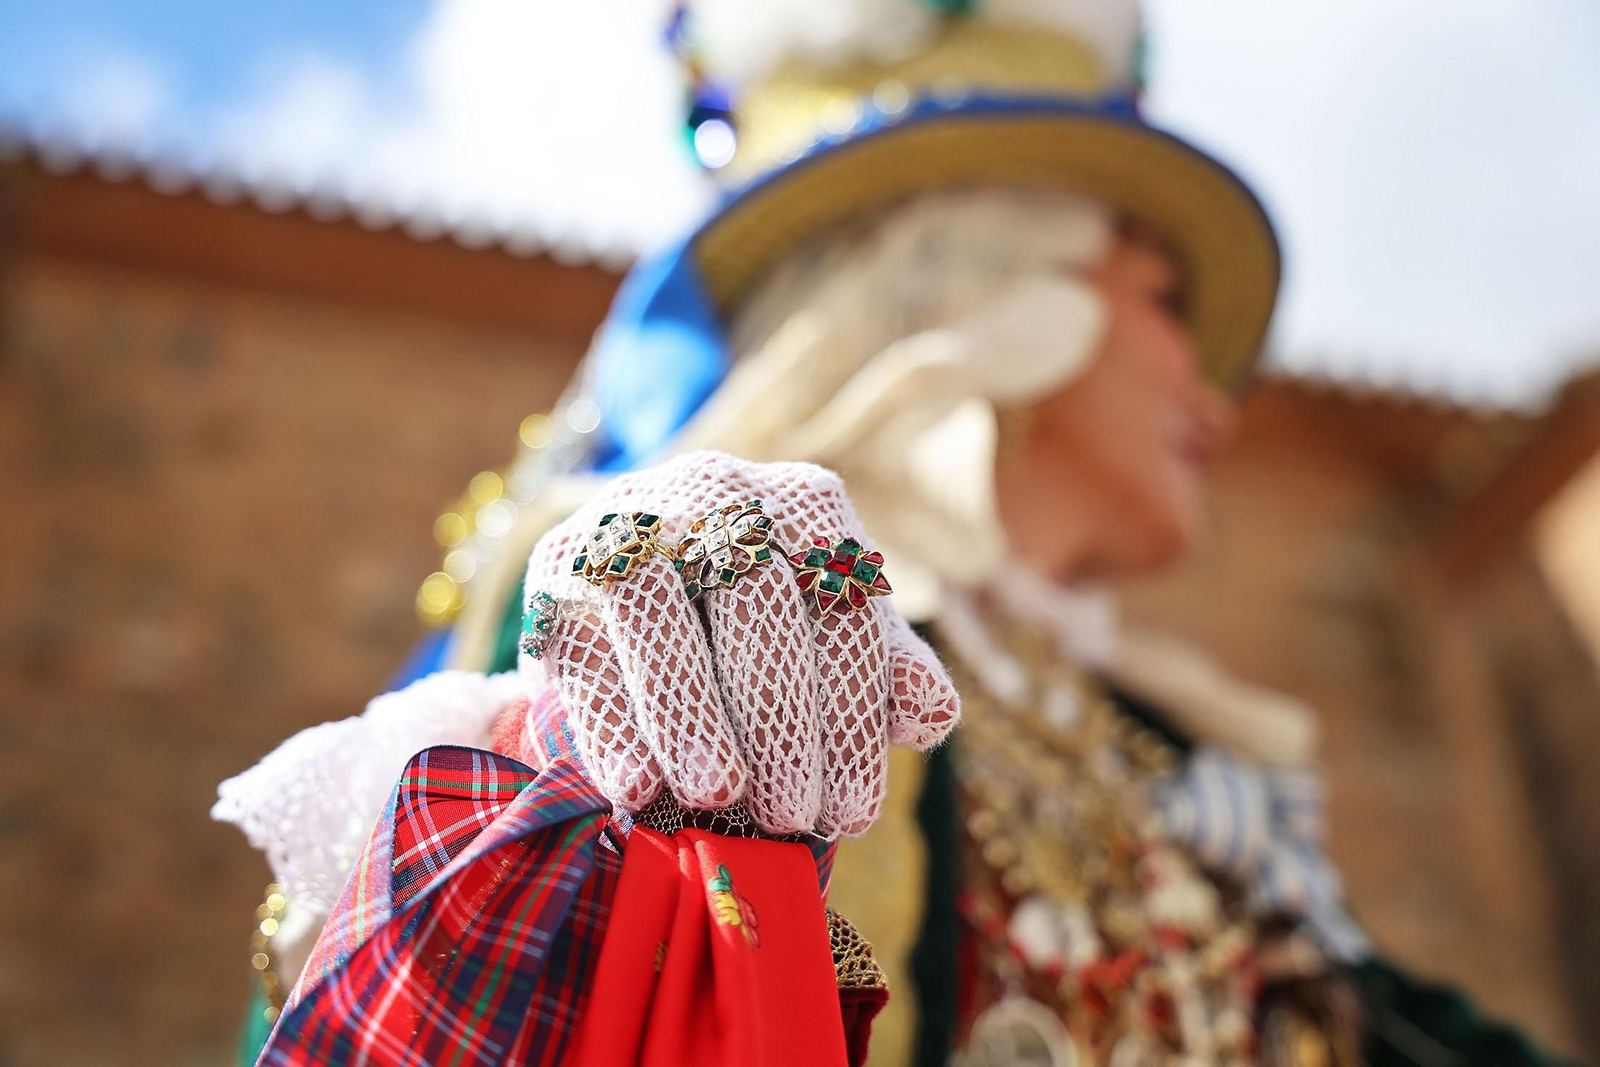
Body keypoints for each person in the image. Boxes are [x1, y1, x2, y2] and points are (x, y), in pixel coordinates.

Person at [215, 2, 1578, 1064]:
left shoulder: (1184, 767)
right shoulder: (701, 617)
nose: (1215, 396)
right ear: (994, 286)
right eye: (1166, 301)